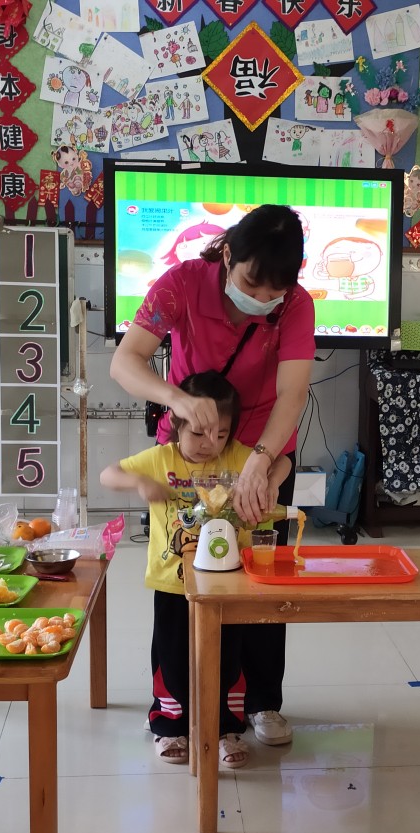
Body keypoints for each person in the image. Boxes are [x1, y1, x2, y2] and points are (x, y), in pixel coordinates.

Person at [110, 203, 315, 748]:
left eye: (275, 291)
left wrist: (262, 462)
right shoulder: (181, 284)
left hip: (262, 450)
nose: (263, 299)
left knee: (264, 580)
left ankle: (260, 702)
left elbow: (293, 393)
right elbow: (126, 362)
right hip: (192, 453)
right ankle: (172, 706)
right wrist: (175, 398)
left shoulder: (296, 304)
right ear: (227, 255)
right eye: (251, 284)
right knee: (181, 579)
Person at [100, 371, 292, 768]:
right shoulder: (162, 459)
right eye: (199, 434)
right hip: (173, 581)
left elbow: (285, 461)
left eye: (221, 434)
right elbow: (108, 474)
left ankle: (225, 728)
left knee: (228, 659)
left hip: (229, 585)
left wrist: (269, 478)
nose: (210, 444)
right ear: (176, 423)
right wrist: (140, 484)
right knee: (172, 656)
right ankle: (170, 725)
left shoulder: (237, 458)